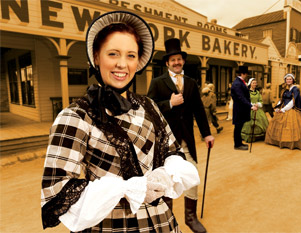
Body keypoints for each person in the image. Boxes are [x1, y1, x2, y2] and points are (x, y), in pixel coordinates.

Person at [41, 11, 200, 233]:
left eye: (131, 55)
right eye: (113, 54)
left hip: (162, 223)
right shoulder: (74, 116)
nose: (122, 64)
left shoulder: (149, 106)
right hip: (109, 226)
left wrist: (168, 172)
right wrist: (127, 189)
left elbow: (174, 151)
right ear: (96, 57)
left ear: (139, 61)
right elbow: (55, 195)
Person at [147, 38, 214, 233]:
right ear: (167, 63)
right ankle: (167, 217)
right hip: (165, 142)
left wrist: (207, 134)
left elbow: (199, 110)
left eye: (179, 59)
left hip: (186, 139)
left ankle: (190, 218)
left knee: (191, 174)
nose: (176, 62)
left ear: (183, 61)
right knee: (167, 177)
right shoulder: (158, 82)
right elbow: (149, 108)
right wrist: (169, 103)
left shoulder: (191, 83)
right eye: (172, 60)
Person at [265, 73, 301, 150]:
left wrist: (284, 109)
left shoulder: (295, 89)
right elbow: (281, 99)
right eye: (287, 79)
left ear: (293, 80)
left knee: (292, 126)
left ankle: (293, 143)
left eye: (290, 79)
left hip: (292, 109)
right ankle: (280, 141)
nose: (288, 80)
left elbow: (293, 101)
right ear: (285, 80)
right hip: (284, 108)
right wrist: (277, 107)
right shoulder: (285, 90)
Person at [231, 66, 258, 150]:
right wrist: (250, 106)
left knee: (239, 126)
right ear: (243, 74)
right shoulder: (237, 83)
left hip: (241, 109)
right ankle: (237, 144)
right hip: (239, 109)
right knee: (238, 127)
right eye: (246, 74)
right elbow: (240, 97)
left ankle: (239, 143)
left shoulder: (239, 82)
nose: (246, 76)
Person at [241, 78, 269, 142]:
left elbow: (261, 101)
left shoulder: (258, 92)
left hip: (257, 110)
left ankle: (259, 137)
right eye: (253, 83)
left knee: (261, 122)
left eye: (255, 83)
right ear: (250, 84)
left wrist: (258, 104)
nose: (255, 84)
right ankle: (248, 136)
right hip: (249, 109)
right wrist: (251, 106)